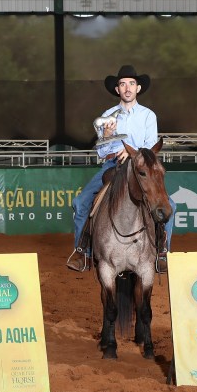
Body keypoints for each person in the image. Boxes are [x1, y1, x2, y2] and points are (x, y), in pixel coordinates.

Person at [66, 65, 176, 273]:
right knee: (80, 203)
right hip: (113, 165)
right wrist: (107, 137)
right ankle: (82, 252)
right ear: (117, 89)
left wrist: (132, 153)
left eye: (132, 84)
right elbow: (101, 152)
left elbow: (151, 147)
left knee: (170, 205)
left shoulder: (148, 116)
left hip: (140, 167)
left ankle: (162, 253)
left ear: (138, 88)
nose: (127, 88)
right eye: (123, 84)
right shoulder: (107, 116)